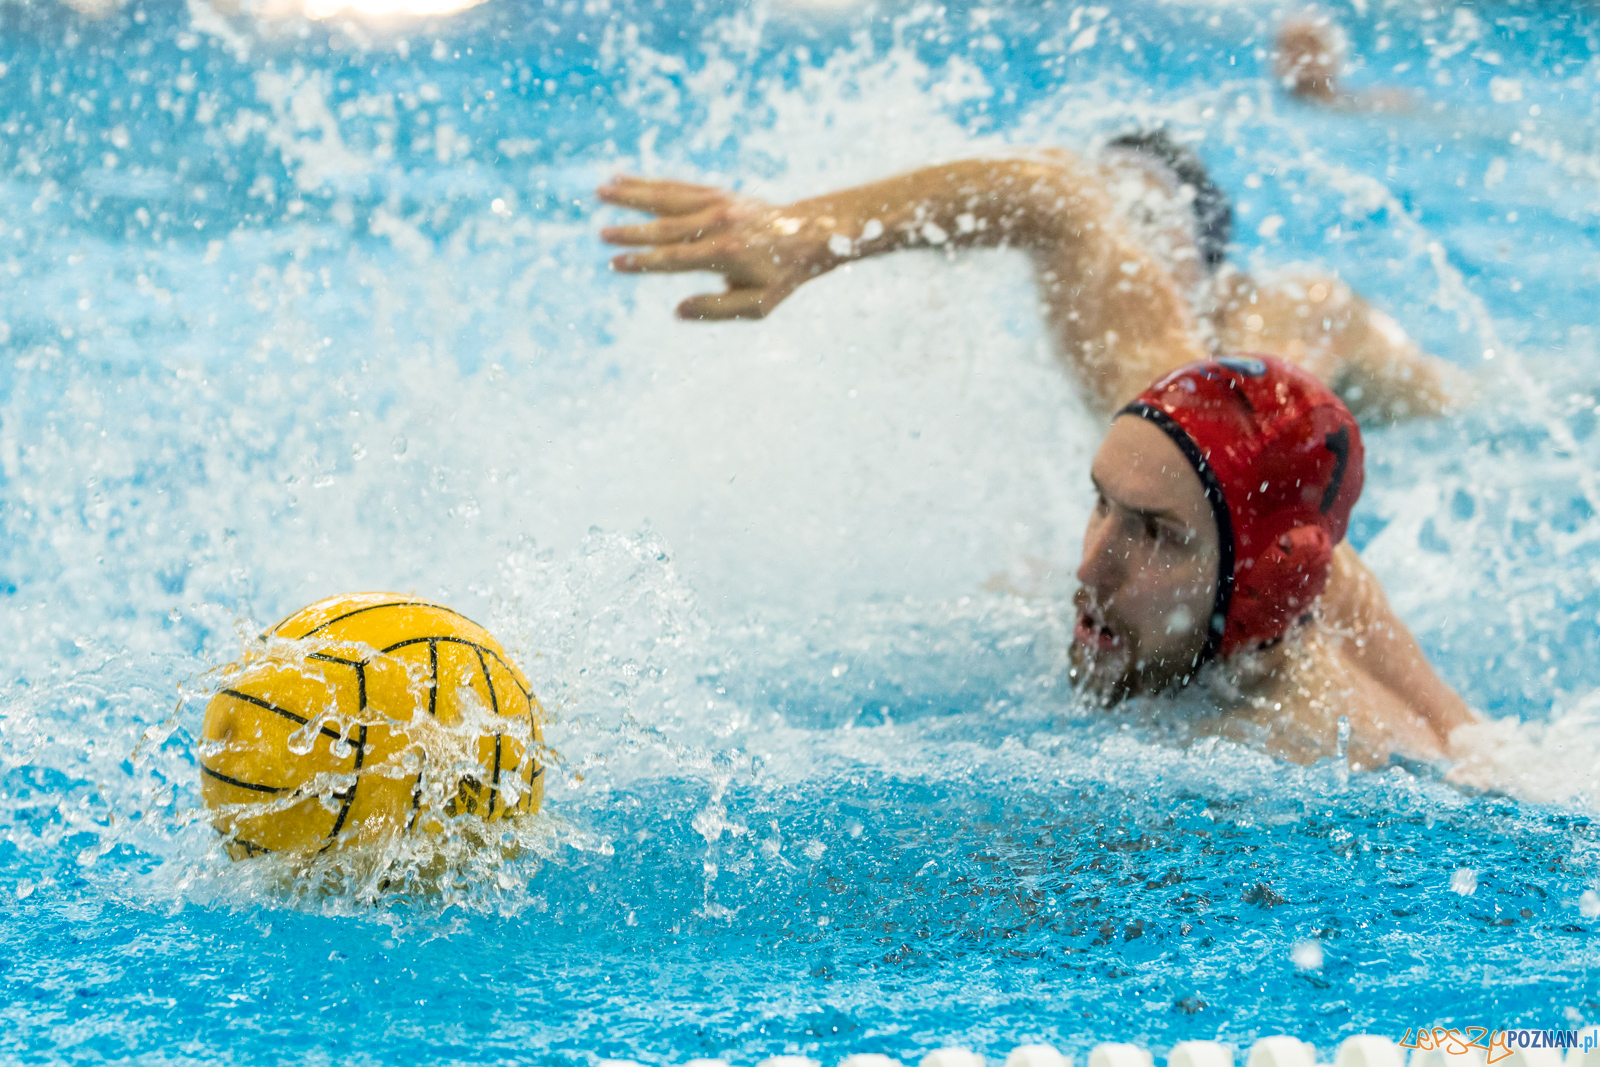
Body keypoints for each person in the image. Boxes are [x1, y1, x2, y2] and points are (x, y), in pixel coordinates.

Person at [596, 132, 1459, 422]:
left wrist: (808, 233)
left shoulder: (1275, 312)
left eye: (1143, 223)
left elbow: (1052, 198)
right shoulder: (1106, 338)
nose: (1117, 256)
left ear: (1208, 263)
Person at [1274, 8, 1414, 112]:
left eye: (1310, 46)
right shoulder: (1268, 109)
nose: (1297, 58)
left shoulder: (1369, 106)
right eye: (1287, 47)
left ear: (1333, 58)